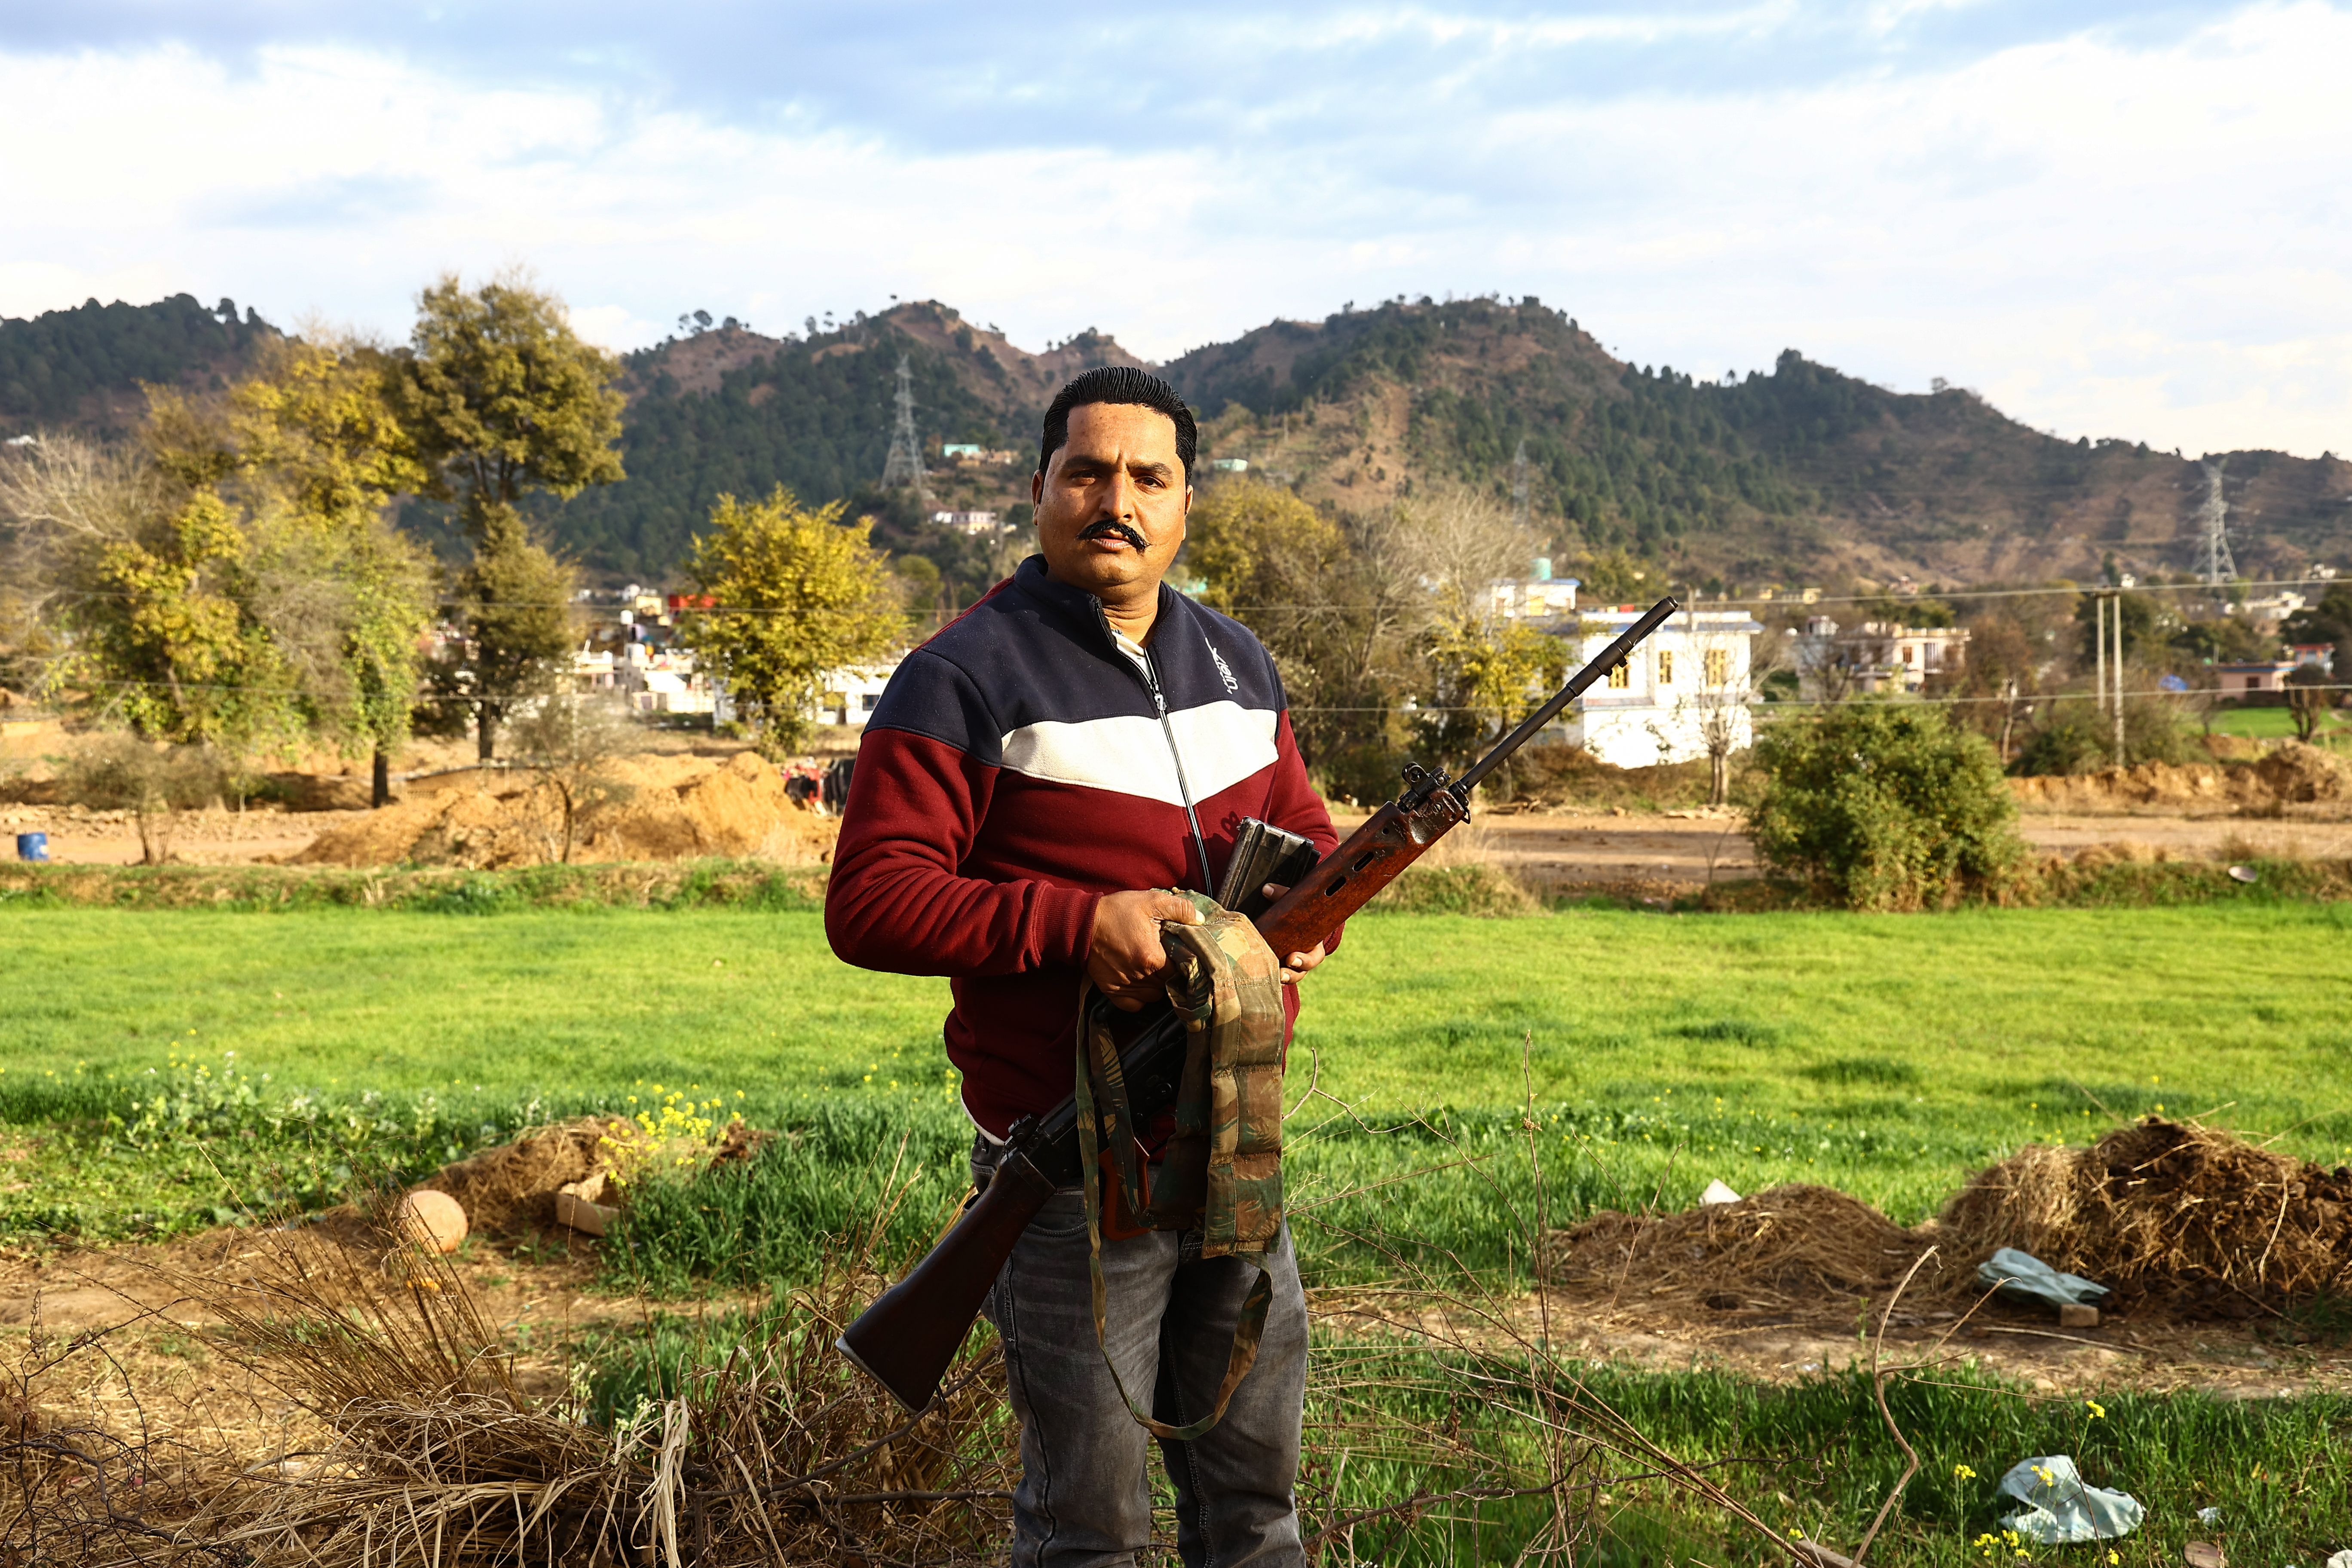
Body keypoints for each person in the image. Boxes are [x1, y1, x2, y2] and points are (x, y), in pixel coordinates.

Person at [827, 365, 1340, 1567]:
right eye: (1088, 473)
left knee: (1257, 1516)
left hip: (1234, 1146)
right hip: (1068, 1167)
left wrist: (1317, 908)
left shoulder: (1240, 663)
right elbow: (872, 904)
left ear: (1186, 503)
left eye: (1148, 477)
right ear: (1040, 490)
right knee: (1090, 1533)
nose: (1118, 501)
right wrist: (1078, 926)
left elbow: (1307, 831)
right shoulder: (961, 676)